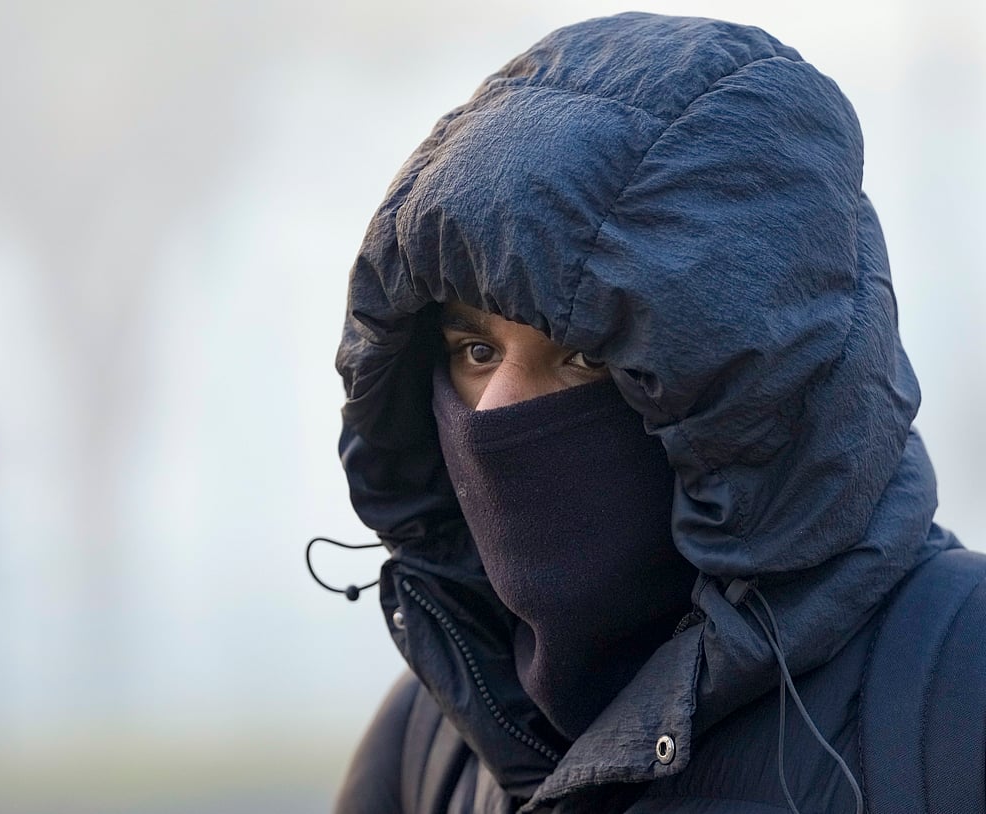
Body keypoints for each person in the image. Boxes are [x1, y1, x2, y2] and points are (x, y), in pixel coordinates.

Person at [322, 12, 986, 814]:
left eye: (583, 356)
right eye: (477, 351)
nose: (493, 416)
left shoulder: (959, 687)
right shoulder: (437, 738)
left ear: (757, 385)